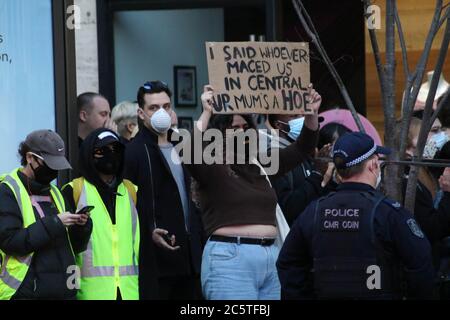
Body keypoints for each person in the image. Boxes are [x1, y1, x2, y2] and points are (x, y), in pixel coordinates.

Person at [183, 84, 322, 300]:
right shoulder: (211, 167)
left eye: (245, 126)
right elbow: (190, 150)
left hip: (269, 259)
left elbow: (302, 148)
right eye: (233, 127)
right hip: (231, 259)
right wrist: (207, 112)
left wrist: (311, 115)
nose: (240, 131)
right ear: (218, 133)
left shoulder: (260, 163)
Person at [277, 132, 435, 300]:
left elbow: (288, 263)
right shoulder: (389, 213)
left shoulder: (313, 212)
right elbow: (421, 265)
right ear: (373, 164)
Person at [124, 81, 204, 300]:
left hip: (191, 257)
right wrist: (148, 230)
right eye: (153, 108)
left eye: (166, 106)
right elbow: (126, 204)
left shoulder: (183, 145)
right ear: (141, 113)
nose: (162, 112)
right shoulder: (133, 152)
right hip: (156, 262)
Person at [0, 130, 92, 300]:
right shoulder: (7, 190)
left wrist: (82, 226)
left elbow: (75, 247)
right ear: (30, 158)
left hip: (64, 292)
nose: (54, 170)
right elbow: (10, 241)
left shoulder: (56, 193)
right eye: (49, 164)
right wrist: (55, 223)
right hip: (27, 294)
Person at [62, 128, 139, 300]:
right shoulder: (73, 190)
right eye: (101, 151)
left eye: (115, 150)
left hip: (130, 291)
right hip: (89, 293)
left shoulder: (131, 191)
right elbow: (65, 247)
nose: (110, 155)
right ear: (89, 155)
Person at [267, 114, 330, 225]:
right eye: (295, 116)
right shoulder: (274, 158)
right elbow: (288, 209)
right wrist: (317, 173)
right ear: (278, 125)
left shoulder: (305, 156)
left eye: (303, 115)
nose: (302, 119)